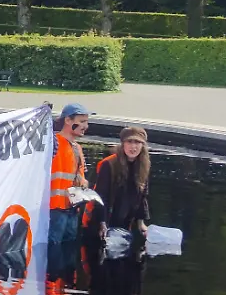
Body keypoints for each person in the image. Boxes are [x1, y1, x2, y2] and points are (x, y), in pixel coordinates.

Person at [91, 126, 151, 237]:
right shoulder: (109, 164)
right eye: (129, 142)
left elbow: (142, 196)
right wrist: (102, 223)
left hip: (126, 221)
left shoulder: (143, 165)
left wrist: (141, 223)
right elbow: (100, 197)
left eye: (137, 142)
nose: (133, 147)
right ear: (123, 144)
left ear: (142, 146)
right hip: (105, 220)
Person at [49, 103, 91, 244]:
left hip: (72, 207)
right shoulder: (52, 142)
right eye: (82, 121)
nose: (86, 126)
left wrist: (84, 185)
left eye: (87, 122)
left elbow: (81, 176)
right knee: (54, 246)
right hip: (54, 208)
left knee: (69, 247)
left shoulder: (77, 147)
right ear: (68, 120)